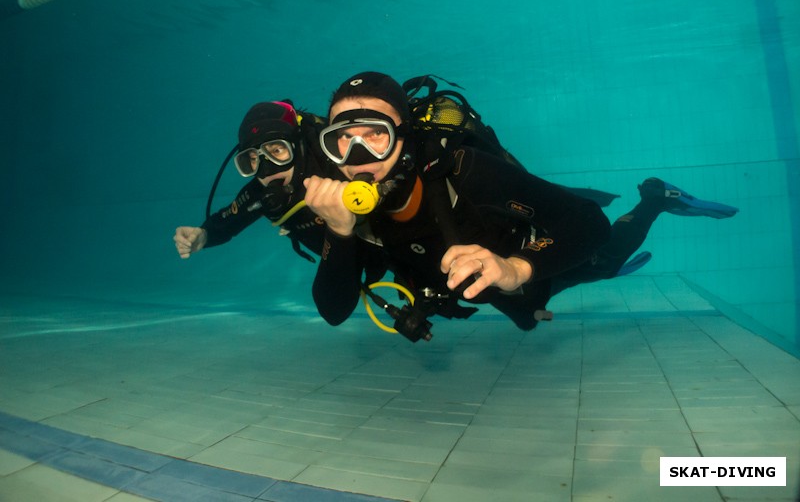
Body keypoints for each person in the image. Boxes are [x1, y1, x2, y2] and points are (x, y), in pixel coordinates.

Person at [303, 71, 738, 339]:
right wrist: (338, 231)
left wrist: (517, 268)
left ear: (407, 136)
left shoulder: (464, 171)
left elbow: (587, 223)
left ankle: (655, 199)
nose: (358, 156)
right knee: (527, 314)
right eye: (343, 139)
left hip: (533, 250)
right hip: (490, 286)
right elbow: (333, 312)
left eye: (375, 133)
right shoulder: (346, 210)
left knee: (602, 260)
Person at [174, 100, 330, 262]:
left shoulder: (332, 165)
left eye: (277, 150)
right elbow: (227, 222)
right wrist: (204, 235)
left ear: (298, 146)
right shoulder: (261, 195)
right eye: (253, 159)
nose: (267, 170)